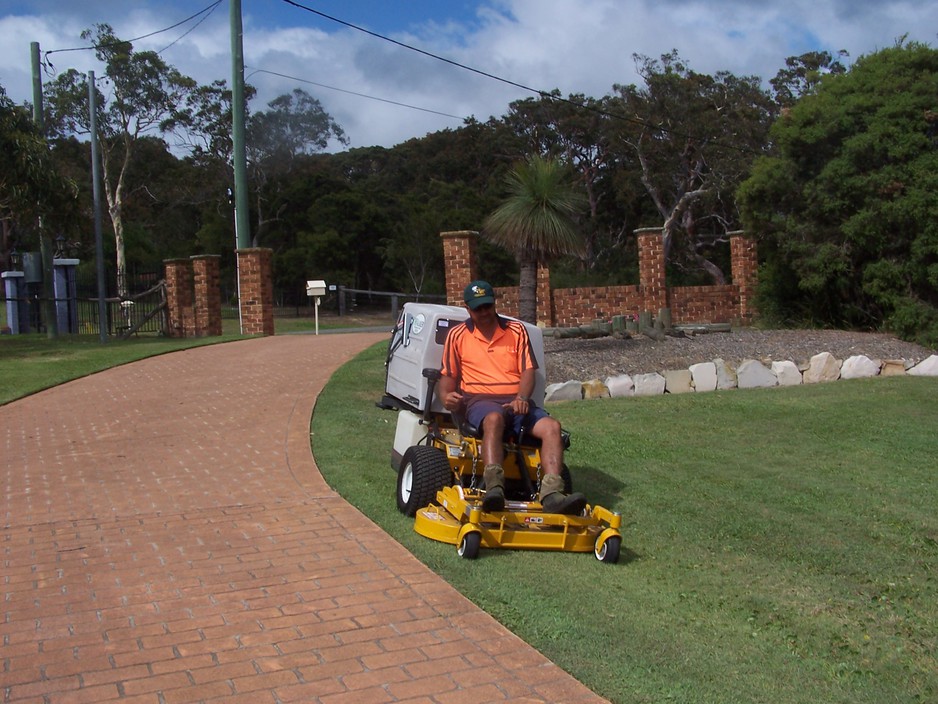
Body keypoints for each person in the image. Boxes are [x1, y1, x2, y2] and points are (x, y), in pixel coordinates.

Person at [438, 280, 587, 515]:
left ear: (494, 304)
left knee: (552, 427)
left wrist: (521, 397)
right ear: (468, 309)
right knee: (494, 418)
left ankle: (552, 494)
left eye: (488, 306)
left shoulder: (516, 331)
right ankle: (494, 487)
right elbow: (446, 379)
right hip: (478, 401)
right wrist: (447, 397)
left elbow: (529, 371)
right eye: (478, 309)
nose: (484, 312)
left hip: (516, 401)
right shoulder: (457, 335)